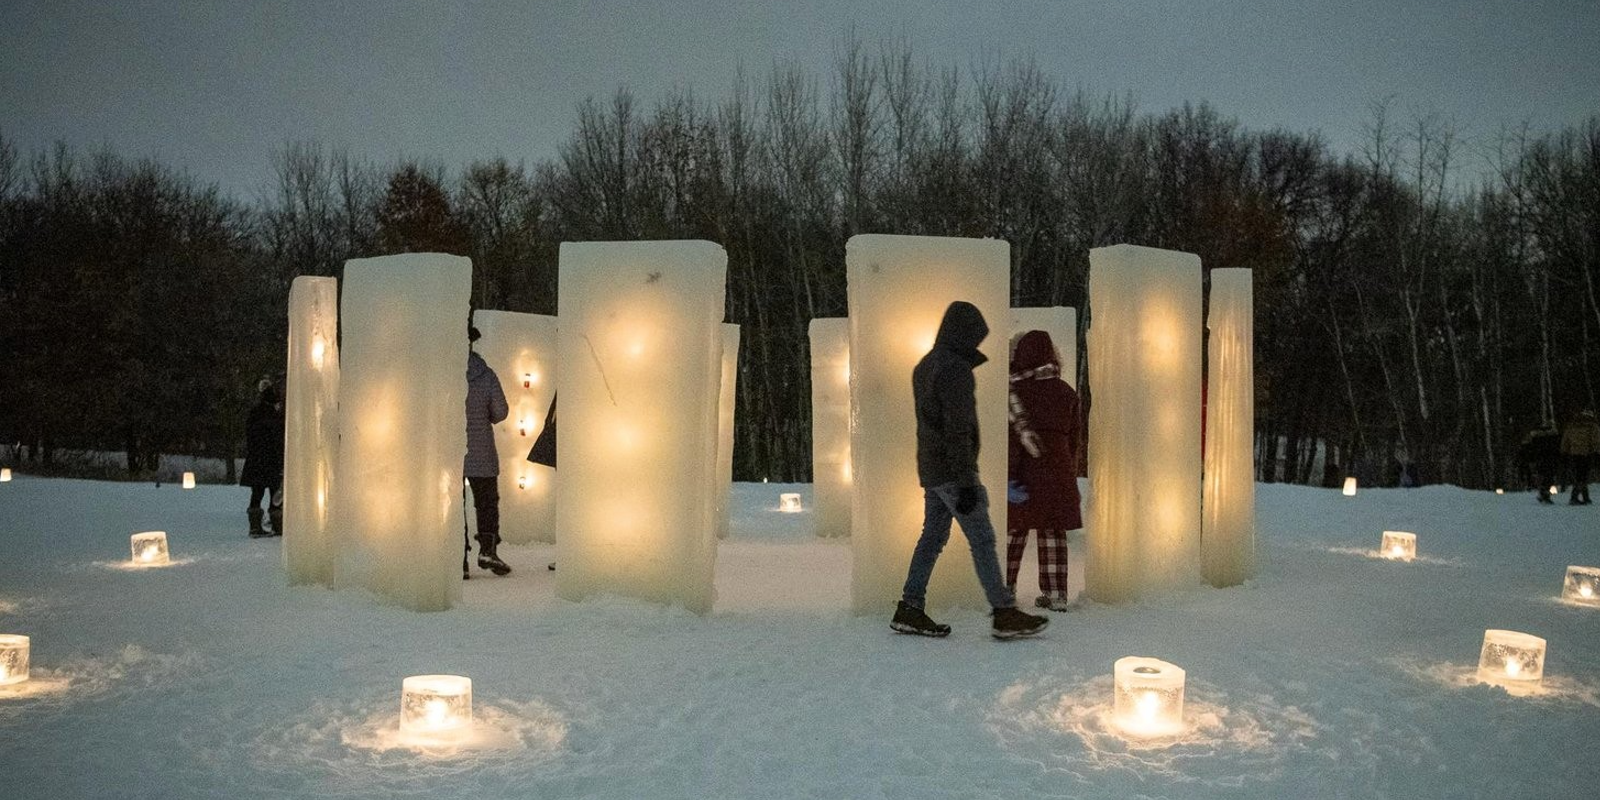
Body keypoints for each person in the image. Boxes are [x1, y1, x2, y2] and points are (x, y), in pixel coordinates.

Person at [891, 301, 1049, 640]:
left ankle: (910, 606)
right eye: (975, 337)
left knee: (932, 538)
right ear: (963, 333)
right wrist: (965, 481)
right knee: (982, 538)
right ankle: (1003, 612)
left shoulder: (925, 365)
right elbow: (957, 429)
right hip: (952, 471)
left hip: (933, 470)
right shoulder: (954, 370)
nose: (977, 345)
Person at [1005, 330, 1082, 612]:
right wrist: (1067, 466)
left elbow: (1011, 440)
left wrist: (1008, 474)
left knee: (1014, 531)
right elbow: (1074, 437)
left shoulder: (1014, 392)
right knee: (1052, 533)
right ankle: (1055, 593)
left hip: (1023, 472)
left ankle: (1004, 587)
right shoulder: (1066, 392)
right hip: (1058, 471)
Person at [466, 326, 512, 576]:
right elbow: (501, 411)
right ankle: (488, 549)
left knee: (451, 507)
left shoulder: (442, 372)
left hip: (450, 453)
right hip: (481, 451)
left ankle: (456, 558)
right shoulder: (485, 375)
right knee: (486, 503)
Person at [239, 378, 285, 538]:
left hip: (258, 460)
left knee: (258, 493)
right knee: (275, 494)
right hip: (270, 460)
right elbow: (278, 439)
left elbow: (251, 436)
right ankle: (277, 525)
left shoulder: (256, 414)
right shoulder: (274, 416)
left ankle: (256, 526)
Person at [1560, 409, 1599, 506]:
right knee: (1583, 476)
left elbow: (1565, 440)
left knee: (1578, 475)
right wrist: (1597, 451)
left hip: (1574, 453)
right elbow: (1596, 440)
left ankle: (1583, 497)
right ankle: (1576, 497)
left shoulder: (1572, 426)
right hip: (1587, 453)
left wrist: (1564, 451)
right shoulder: (1592, 426)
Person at [1519, 422, 1562, 504]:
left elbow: (1529, 450)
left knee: (1544, 477)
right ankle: (1544, 494)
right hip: (1548, 459)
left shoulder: (1535, 438)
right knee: (1548, 478)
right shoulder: (1552, 437)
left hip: (1540, 460)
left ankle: (1543, 493)